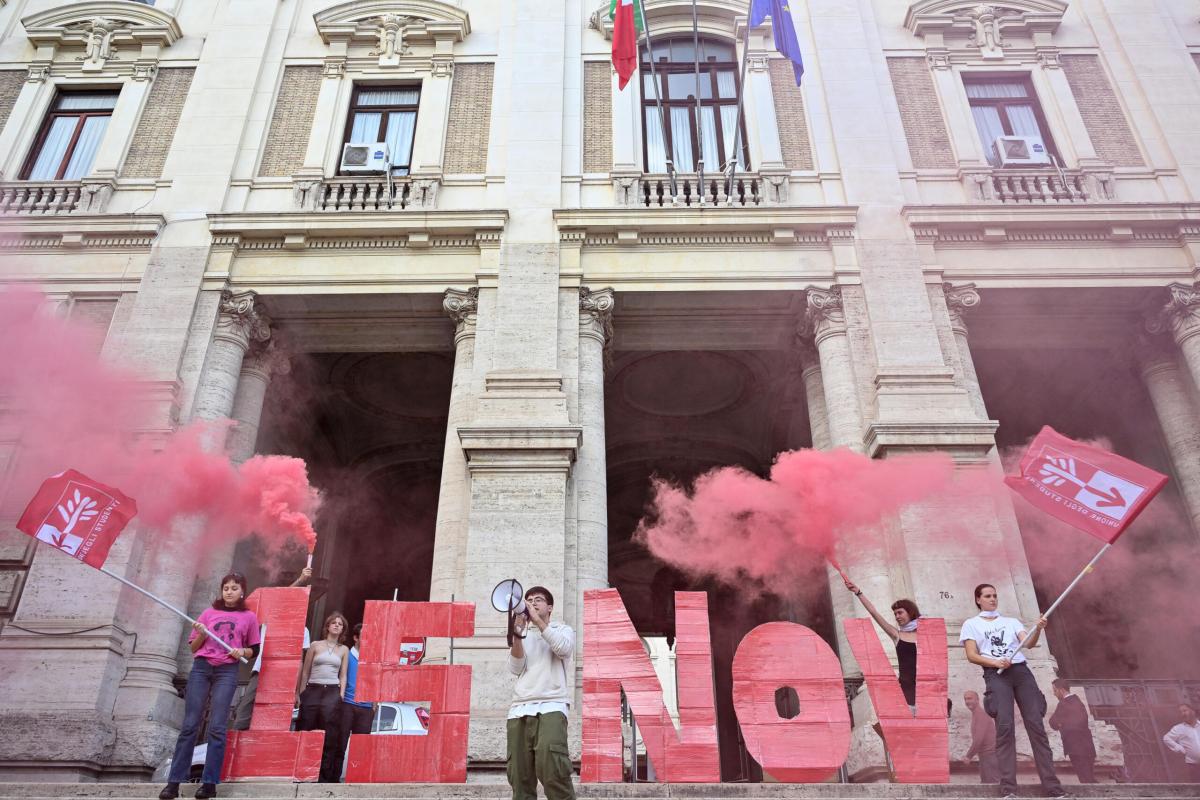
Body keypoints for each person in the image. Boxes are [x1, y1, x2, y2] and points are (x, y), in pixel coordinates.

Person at [160, 573, 261, 800]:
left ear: (242, 591)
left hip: (227, 671)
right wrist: (202, 633)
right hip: (202, 668)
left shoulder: (249, 617)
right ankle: (173, 783)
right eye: (226, 588)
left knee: (217, 727)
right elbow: (194, 648)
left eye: (234, 588)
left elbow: (254, 648)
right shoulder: (208, 613)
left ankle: (209, 784)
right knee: (189, 725)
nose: (229, 591)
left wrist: (241, 651)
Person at [960, 583, 1064, 799]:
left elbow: (1029, 643)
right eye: (987, 596)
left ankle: (1053, 787)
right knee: (1005, 727)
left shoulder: (1011, 621)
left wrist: (1039, 629)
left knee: (1036, 725)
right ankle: (1008, 788)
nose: (992, 599)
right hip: (996, 675)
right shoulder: (971, 624)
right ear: (978, 599)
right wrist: (995, 662)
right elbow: (971, 655)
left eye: (995, 595)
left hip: (1021, 672)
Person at [507, 585, 576, 800]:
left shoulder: (562, 629)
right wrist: (517, 635)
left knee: (553, 770)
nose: (532, 603)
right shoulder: (525, 635)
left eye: (538, 600)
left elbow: (563, 648)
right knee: (519, 775)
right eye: (529, 600)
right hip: (519, 709)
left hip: (552, 706)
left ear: (550, 607)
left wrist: (537, 621)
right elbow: (515, 668)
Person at [231, 566, 312, 731]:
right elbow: (280, 599)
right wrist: (301, 580)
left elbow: (300, 662)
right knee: (243, 716)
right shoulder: (271, 617)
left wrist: (296, 691)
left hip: (285, 679)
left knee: (273, 723)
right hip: (261, 672)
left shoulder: (303, 630)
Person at [844, 578, 921, 711]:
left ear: (910, 612)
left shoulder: (927, 635)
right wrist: (858, 593)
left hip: (927, 694)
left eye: (900, 612)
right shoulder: (897, 635)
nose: (897, 616)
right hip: (906, 695)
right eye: (895, 614)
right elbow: (874, 613)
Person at [296, 611, 349, 783]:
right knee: (306, 729)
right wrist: (301, 693)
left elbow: (343, 675)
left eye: (340, 624)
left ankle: (323, 776)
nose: (336, 625)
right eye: (334, 622)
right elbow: (305, 672)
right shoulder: (315, 645)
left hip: (332, 691)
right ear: (327, 626)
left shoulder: (344, 650)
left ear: (343, 629)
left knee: (329, 734)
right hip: (313, 689)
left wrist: (340, 695)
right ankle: (301, 773)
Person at [333, 623, 375, 781]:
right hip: (347, 704)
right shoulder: (346, 655)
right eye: (364, 636)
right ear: (356, 638)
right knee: (340, 744)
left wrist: (374, 705)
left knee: (361, 748)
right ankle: (334, 779)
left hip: (366, 708)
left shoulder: (372, 659)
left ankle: (356, 780)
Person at [1049, 679, 1097, 783]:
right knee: (1088, 777)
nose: (1054, 693)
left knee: (1085, 779)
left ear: (1061, 690)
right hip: (1087, 746)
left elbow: (1052, 722)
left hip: (1075, 747)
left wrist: (1062, 724)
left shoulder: (1064, 704)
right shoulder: (1078, 701)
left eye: (1055, 690)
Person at [963, 690, 999, 783]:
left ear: (977, 700)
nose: (967, 701)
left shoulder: (980, 714)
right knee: (987, 785)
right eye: (965, 699)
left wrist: (969, 756)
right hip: (985, 757)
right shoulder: (976, 714)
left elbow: (979, 739)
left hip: (989, 757)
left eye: (970, 698)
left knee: (992, 785)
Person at [1162, 702, 1200, 782]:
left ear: (1193, 711)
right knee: (1197, 789)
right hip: (1194, 765)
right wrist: (1178, 747)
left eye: (1184, 711)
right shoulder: (1179, 728)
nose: (1182, 714)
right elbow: (1166, 738)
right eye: (1180, 712)